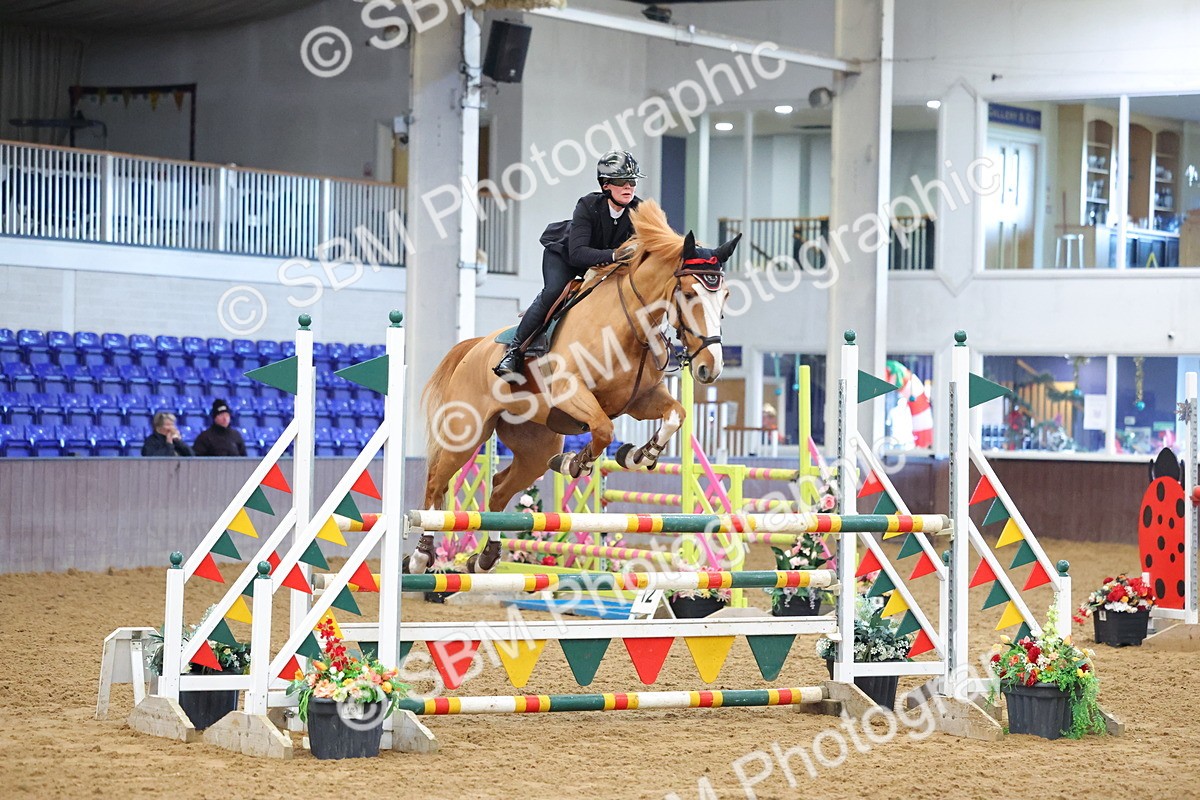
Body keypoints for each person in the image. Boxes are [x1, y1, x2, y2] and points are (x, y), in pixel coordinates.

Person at [493, 150, 646, 377]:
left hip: (603, 264)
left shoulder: (638, 210)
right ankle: (514, 352)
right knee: (554, 290)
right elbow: (578, 254)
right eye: (621, 181)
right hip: (566, 256)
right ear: (605, 185)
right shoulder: (588, 205)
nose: (629, 187)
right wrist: (615, 255)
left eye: (632, 181)